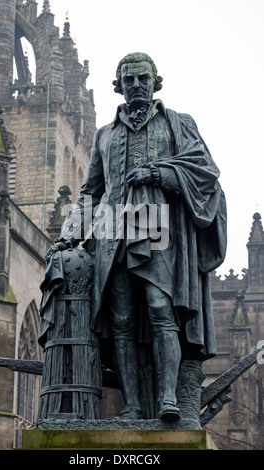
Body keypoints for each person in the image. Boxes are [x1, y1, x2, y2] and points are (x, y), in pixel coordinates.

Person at [52, 52, 227, 421]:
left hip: (155, 222)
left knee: (161, 310)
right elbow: (91, 192)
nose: (135, 85)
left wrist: (160, 175)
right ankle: (132, 406)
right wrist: (70, 234)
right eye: (128, 80)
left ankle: (168, 399)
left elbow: (204, 172)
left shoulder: (178, 123)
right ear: (119, 86)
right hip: (113, 227)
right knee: (122, 321)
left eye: (142, 78)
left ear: (154, 81)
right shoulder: (104, 135)